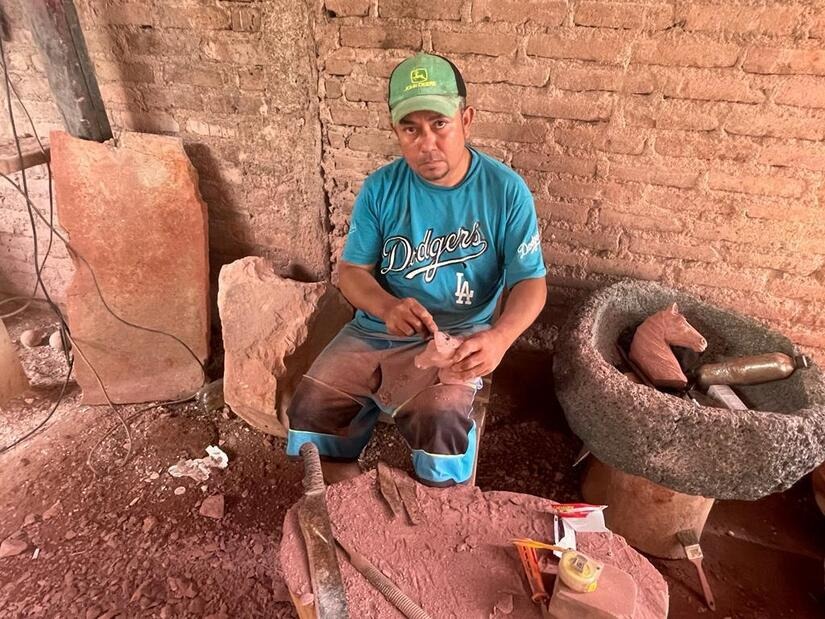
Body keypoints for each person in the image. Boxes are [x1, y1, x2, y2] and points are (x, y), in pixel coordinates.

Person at [285, 52, 547, 486]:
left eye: (439, 124)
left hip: (458, 337)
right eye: (411, 128)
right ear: (396, 131)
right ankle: (347, 503)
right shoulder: (381, 188)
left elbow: (530, 281)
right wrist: (386, 307)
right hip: (376, 331)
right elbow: (352, 272)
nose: (427, 143)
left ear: (466, 120)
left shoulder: (505, 191)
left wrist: (500, 338)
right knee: (313, 404)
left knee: (441, 418)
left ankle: (436, 509)